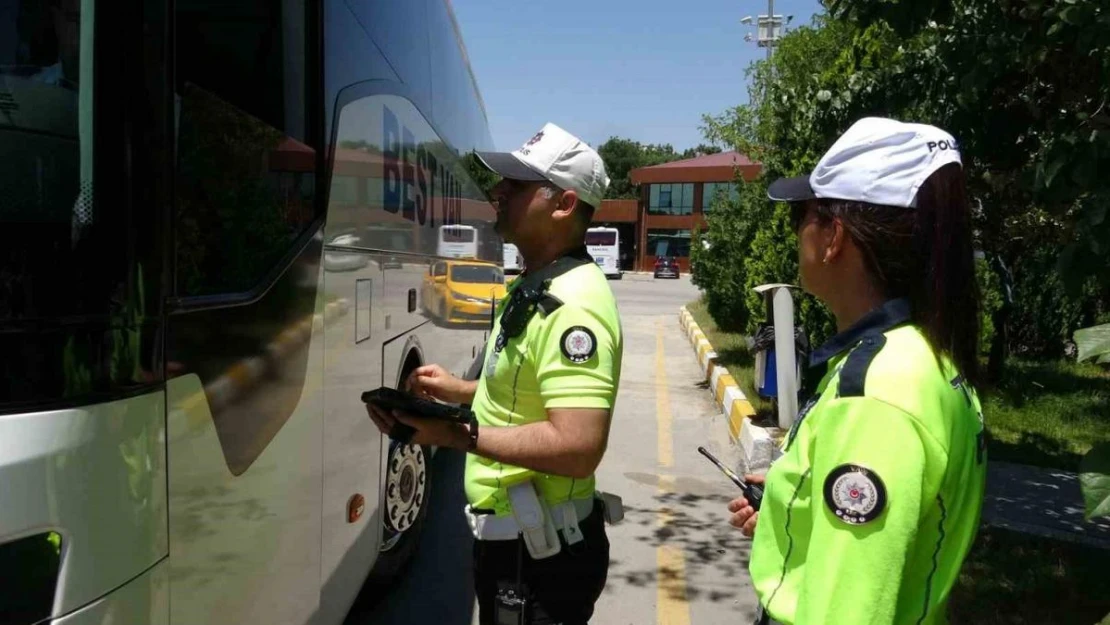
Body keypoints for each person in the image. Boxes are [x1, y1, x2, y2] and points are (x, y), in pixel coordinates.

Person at [726, 117, 988, 625]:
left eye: (800, 216)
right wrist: (792, 505)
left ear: (834, 237)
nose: (796, 233)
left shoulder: (875, 396)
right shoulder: (923, 357)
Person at [366, 123, 622, 625]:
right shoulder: (536, 283)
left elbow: (577, 446)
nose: (497, 191)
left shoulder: (575, 309)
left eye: (517, 185)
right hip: (519, 546)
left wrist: (455, 434)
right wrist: (457, 391)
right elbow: (523, 393)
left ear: (564, 204)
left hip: (542, 559)